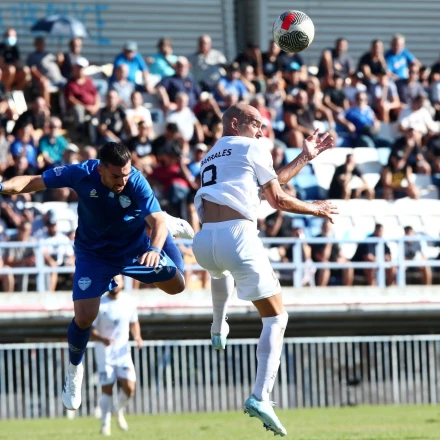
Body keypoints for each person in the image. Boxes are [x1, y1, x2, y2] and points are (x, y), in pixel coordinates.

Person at [0, 142, 194, 412]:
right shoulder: (81, 173)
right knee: (84, 317)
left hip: (135, 250)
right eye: (116, 176)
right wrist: (2, 186)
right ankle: (74, 371)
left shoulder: (136, 181)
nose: (122, 181)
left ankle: (167, 221)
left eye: (126, 174)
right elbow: (32, 181)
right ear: (100, 170)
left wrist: (154, 248)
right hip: (94, 255)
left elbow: (156, 225)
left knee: (177, 286)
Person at [191, 103, 337, 436]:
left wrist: (304, 158)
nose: (261, 131)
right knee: (276, 318)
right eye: (256, 123)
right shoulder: (252, 147)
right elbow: (276, 200)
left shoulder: (210, 156)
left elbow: (257, 190)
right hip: (237, 237)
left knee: (219, 271)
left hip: (204, 241)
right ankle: (261, 396)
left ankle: (218, 327)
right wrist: (315, 209)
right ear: (235, 123)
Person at [91, 275, 142, 436]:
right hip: (105, 354)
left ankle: (118, 410)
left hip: (123, 353)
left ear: (123, 282)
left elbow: (134, 322)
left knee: (130, 387)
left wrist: (138, 337)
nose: (115, 283)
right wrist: (102, 338)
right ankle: (105, 425)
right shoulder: (99, 303)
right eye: (112, 280)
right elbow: (89, 330)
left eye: (118, 280)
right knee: (107, 389)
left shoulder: (129, 301)